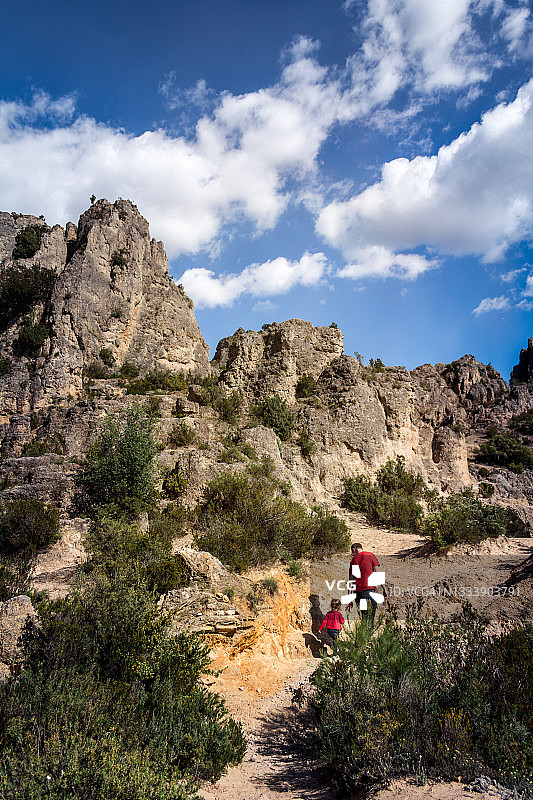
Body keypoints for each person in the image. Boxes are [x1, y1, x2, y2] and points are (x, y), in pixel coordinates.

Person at [349, 542, 380, 627]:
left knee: (364, 616)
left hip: (359, 593)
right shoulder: (370, 555)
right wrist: (384, 588)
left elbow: (352, 580)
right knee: (371, 616)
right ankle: (368, 638)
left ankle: (364, 637)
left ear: (354, 550)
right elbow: (377, 572)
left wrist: (349, 597)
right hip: (370, 591)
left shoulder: (354, 560)